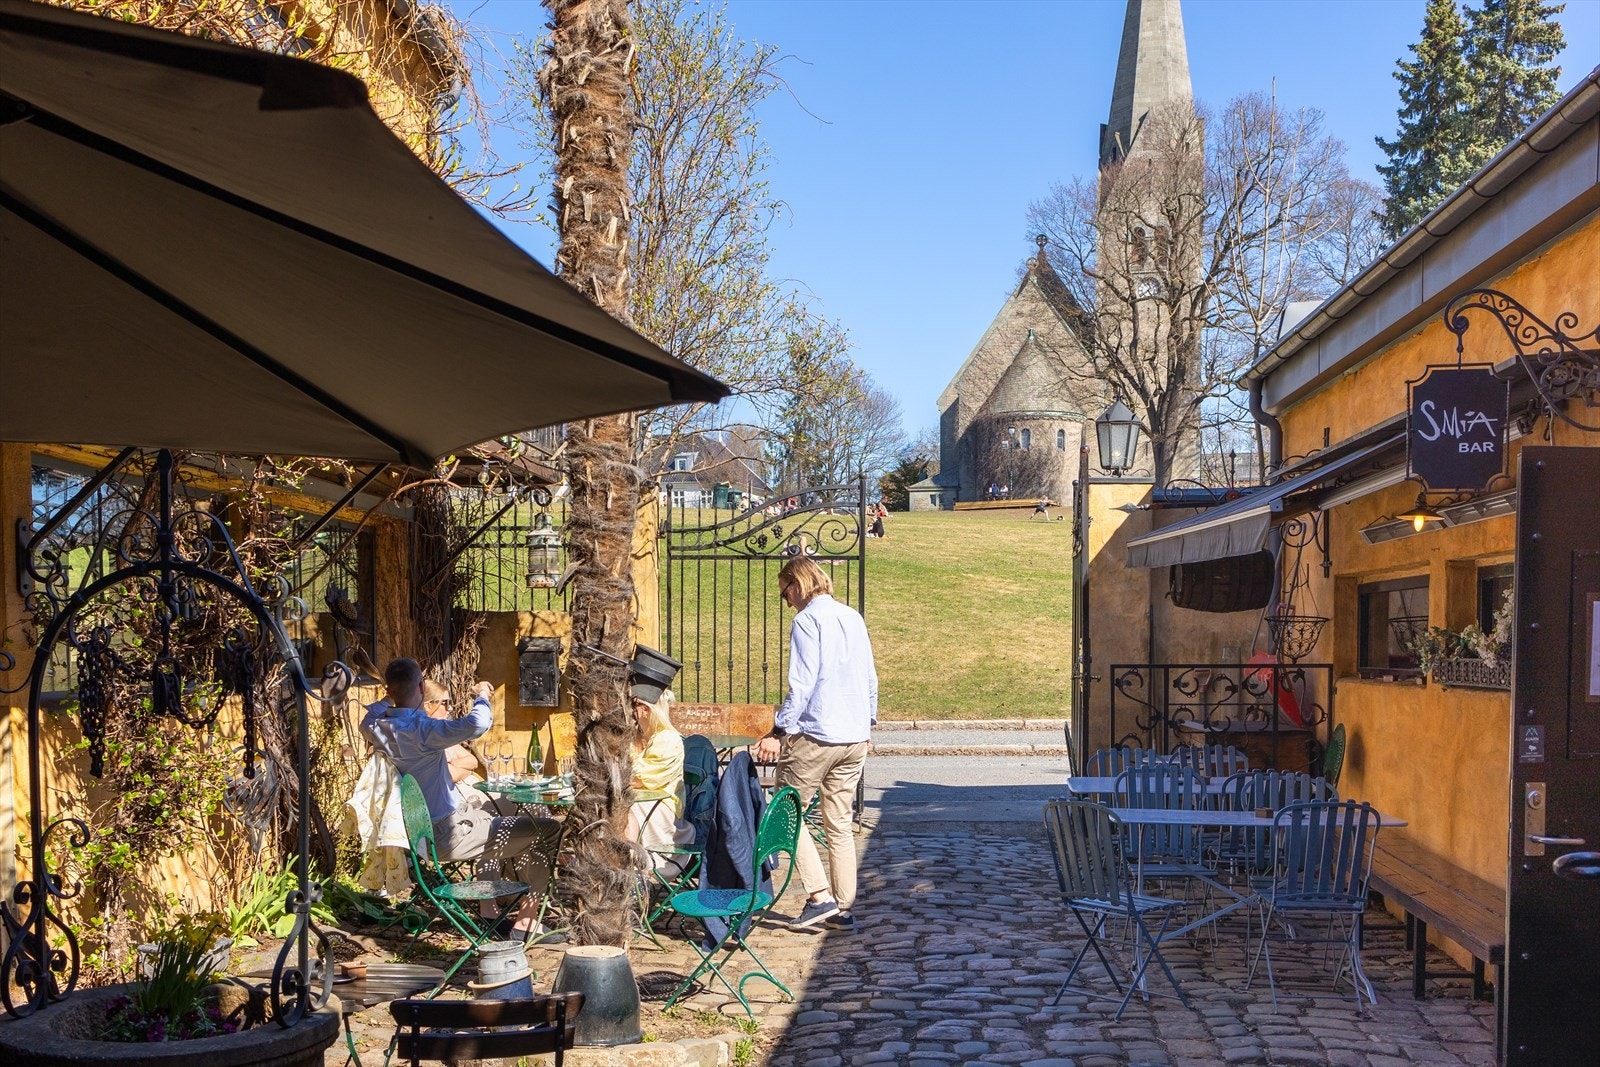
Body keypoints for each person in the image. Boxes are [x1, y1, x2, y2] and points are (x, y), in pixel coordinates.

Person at [361, 658, 559, 939]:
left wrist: (389, 695)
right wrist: (482, 696)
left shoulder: (378, 728)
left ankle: (490, 906)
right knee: (548, 829)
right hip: (450, 833)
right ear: (420, 686)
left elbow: (368, 716)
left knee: (507, 808)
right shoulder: (424, 731)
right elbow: (478, 723)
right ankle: (526, 923)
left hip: (420, 836)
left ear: (391, 691)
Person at [754, 556, 876, 934]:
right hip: (854, 735)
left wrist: (778, 730)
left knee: (785, 813)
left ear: (798, 583)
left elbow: (803, 682)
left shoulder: (807, 620)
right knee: (838, 822)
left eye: (785, 590)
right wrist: (868, 720)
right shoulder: (851, 616)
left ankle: (819, 896)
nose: (786, 599)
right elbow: (870, 675)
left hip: (818, 733)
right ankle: (843, 907)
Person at [624, 644, 693, 872]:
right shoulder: (636, 737)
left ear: (648, 709)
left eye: (635, 705)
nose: (631, 711)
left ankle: (630, 868)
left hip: (662, 812)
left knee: (625, 809)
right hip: (642, 804)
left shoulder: (668, 740)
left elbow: (638, 778)